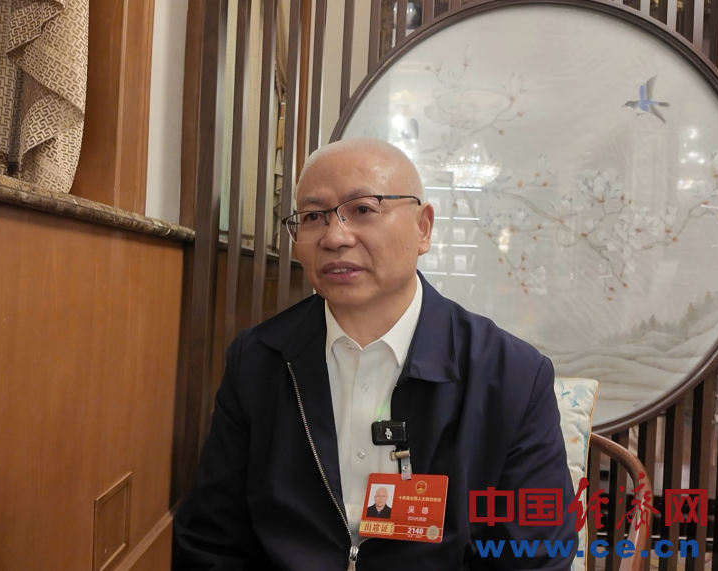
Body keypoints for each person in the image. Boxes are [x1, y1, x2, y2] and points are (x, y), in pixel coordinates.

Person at [173, 138, 577, 570]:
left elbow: (535, 555)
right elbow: (212, 538)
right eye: (313, 217)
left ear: (422, 228)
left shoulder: (511, 376)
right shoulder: (258, 359)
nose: (335, 237)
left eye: (363, 209)